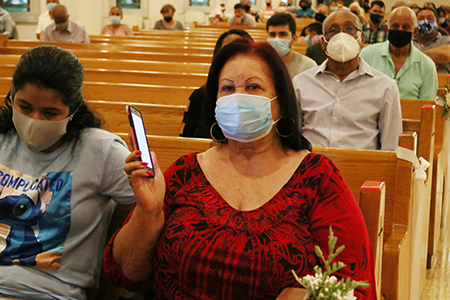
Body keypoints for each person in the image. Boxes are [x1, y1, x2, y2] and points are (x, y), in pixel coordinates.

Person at [103, 38, 377, 300]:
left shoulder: (316, 177)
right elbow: (127, 273)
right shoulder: (187, 172)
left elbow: (353, 288)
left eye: (253, 87)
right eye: (227, 88)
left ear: (280, 102)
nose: (238, 98)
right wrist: (148, 211)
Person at [0, 45, 136, 299]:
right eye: (24, 107)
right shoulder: (3, 138)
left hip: (52, 292)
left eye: (50, 113)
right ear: (12, 97)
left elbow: (140, 215)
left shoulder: (100, 151)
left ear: (73, 112)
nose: (34, 120)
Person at [293, 9, 402, 150]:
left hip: (361, 167)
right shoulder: (301, 83)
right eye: (333, 30)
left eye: (349, 28)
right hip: (312, 167)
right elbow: (292, 140)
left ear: (361, 39)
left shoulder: (385, 87)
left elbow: (391, 146)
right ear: (323, 42)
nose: (341, 35)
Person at [181, 29, 254, 139]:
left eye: (241, 50)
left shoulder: (259, 99)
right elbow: (183, 140)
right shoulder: (199, 97)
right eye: (227, 50)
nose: (234, 57)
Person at [360, 6, 439, 99]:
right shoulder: (367, 55)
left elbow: (427, 106)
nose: (400, 30)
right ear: (387, 29)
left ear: (414, 31)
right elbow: (359, 94)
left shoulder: (427, 66)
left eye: (405, 27)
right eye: (395, 26)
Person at [267, 13, 316, 79]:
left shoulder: (308, 66)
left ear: (294, 38)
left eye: (283, 34)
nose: (276, 39)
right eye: (272, 34)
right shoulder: (259, 64)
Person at [413, 7, 450, 74]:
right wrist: (434, 59)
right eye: (421, 19)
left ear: (437, 25)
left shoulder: (447, 40)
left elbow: (445, 55)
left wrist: (412, 58)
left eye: (430, 18)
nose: (425, 21)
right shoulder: (409, 42)